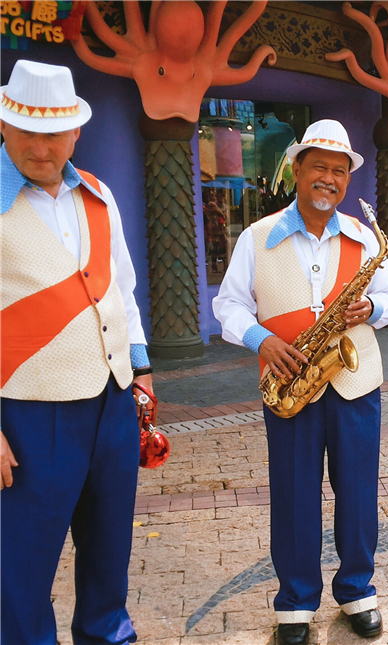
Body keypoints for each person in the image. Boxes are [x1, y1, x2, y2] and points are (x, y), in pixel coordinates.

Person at [213, 119, 388, 645]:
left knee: (359, 492)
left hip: (355, 382)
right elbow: (228, 304)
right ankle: (295, 601)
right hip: (290, 382)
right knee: (294, 495)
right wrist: (260, 341)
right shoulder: (257, 236)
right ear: (296, 169)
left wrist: (373, 307)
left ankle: (358, 590)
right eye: (319, 166)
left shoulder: (365, 237)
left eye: (339, 171)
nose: (329, 178)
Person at [0, 60, 153, 645]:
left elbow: (123, 289)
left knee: (109, 550)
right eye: (28, 131)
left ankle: (107, 636)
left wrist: (139, 375)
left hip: (110, 401)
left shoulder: (99, 193)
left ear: (75, 132)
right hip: (29, 411)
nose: (42, 146)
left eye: (54, 132)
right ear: (6, 127)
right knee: (21, 565)